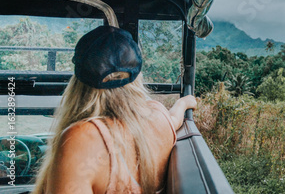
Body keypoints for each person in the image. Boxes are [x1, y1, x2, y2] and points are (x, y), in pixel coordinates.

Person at [33, 25, 197, 194]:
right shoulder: (159, 115)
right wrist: (184, 103)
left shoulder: (82, 139)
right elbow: (174, 119)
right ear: (137, 76)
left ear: (77, 81)